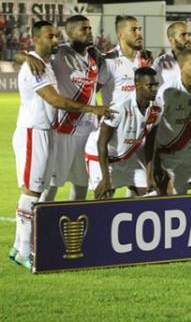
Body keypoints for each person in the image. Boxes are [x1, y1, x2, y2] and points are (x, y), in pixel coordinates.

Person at [10, 21, 111, 269]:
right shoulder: (36, 65)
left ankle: (20, 248)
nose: (55, 40)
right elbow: (56, 100)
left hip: (47, 132)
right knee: (33, 191)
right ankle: (23, 250)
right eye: (50, 36)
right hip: (35, 131)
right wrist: (92, 108)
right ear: (36, 39)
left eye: (56, 36)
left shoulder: (46, 63)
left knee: (39, 187)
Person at [44, 15, 106, 201]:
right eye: (83, 29)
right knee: (52, 184)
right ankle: (40, 225)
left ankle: (74, 225)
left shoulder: (95, 56)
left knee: (82, 185)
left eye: (89, 28)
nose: (89, 32)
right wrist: (27, 56)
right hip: (64, 129)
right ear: (70, 33)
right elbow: (29, 55)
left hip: (88, 132)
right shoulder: (58, 53)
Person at [85, 67, 161, 199]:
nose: (155, 89)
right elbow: (101, 142)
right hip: (100, 156)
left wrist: (150, 176)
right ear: (137, 85)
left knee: (150, 194)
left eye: (156, 85)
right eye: (150, 85)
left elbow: (150, 143)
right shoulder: (120, 107)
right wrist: (106, 178)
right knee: (104, 197)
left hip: (126, 156)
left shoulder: (157, 108)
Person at [154, 49, 191, 195]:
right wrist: (155, 163)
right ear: (181, 67)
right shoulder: (167, 91)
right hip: (166, 154)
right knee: (174, 198)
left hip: (189, 153)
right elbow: (152, 128)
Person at [100, 15, 153, 106]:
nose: (139, 33)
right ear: (121, 36)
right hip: (115, 119)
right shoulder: (108, 60)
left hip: (141, 119)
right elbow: (91, 93)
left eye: (139, 29)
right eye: (133, 30)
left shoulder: (145, 59)